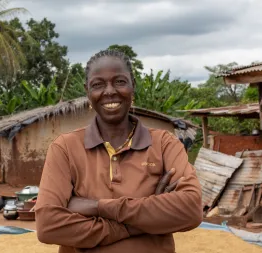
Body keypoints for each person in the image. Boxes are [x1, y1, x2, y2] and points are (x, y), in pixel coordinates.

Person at [35, 49, 203, 253]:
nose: (109, 91)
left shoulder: (163, 144)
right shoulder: (65, 148)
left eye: (120, 81)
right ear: (87, 91)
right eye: (98, 84)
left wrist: (97, 206)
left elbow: (191, 209)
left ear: (133, 85)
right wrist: (140, 221)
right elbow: (48, 226)